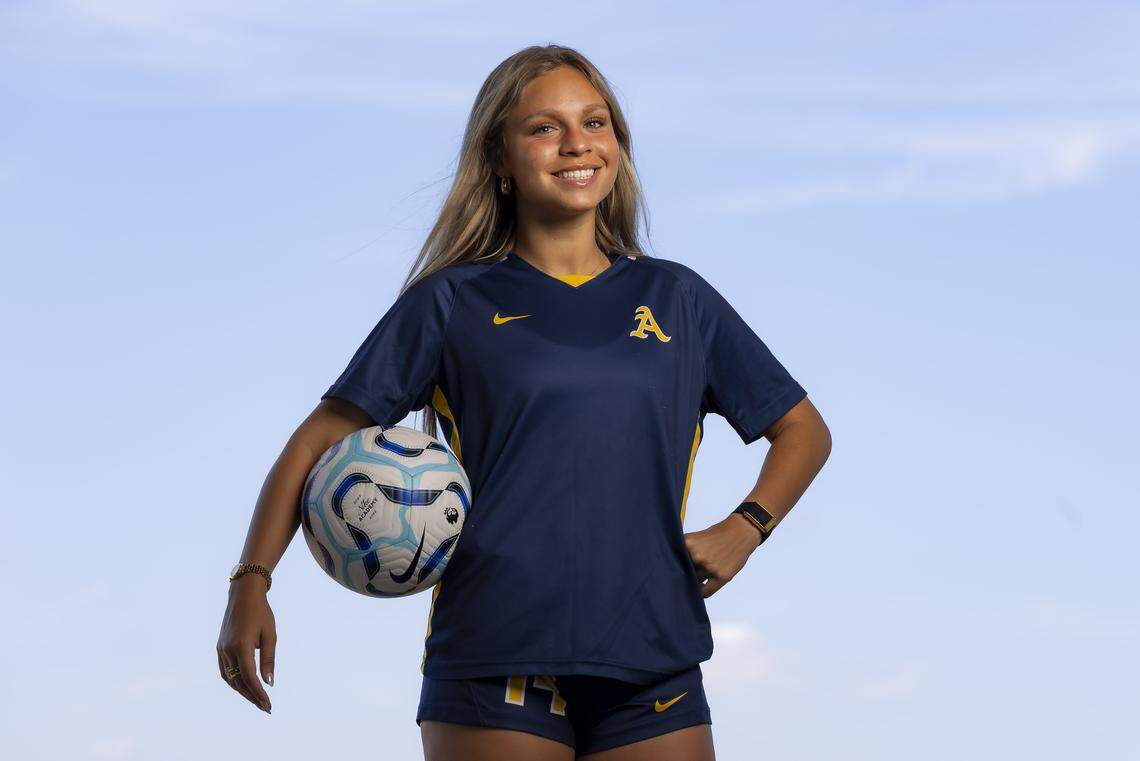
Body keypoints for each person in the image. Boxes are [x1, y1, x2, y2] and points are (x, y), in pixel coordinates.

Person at [217, 44, 832, 761]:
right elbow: (316, 439)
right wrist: (250, 582)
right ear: (501, 158)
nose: (577, 143)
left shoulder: (678, 299)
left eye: (595, 123)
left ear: (618, 146)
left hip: (654, 652)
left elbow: (803, 429)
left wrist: (747, 525)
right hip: (493, 655)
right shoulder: (451, 300)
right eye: (545, 127)